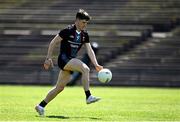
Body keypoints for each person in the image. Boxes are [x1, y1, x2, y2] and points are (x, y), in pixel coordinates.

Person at [35, 9, 103, 116]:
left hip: (70, 61)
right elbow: (53, 42)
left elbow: (89, 50)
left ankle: (41, 106)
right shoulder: (67, 31)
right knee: (85, 69)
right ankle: (88, 96)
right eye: (83, 22)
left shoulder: (85, 34)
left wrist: (96, 64)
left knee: (59, 88)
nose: (85, 25)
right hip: (64, 59)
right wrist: (48, 58)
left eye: (86, 23)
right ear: (77, 20)